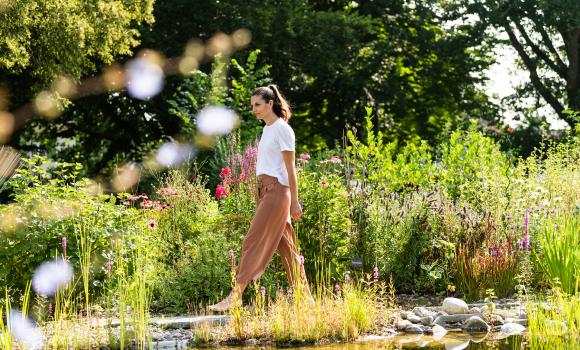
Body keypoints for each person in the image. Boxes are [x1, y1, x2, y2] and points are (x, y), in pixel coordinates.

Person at [208, 85, 311, 312]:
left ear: (270, 103)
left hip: (277, 193)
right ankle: (307, 301)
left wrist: (295, 201)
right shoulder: (267, 130)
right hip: (265, 192)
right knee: (288, 248)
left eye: (257, 105)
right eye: (252, 105)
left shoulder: (283, 129)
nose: (253, 109)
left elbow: (290, 169)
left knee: (252, 241)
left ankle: (235, 296)